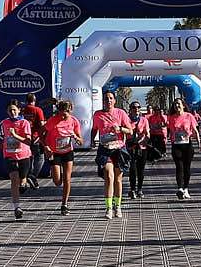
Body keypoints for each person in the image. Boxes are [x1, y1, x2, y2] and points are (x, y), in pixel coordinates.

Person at [91, 90, 133, 218]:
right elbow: (94, 129)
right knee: (109, 177)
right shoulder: (98, 114)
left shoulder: (121, 113)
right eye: (106, 99)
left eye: (110, 98)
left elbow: (130, 131)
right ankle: (108, 208)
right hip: (105, 148)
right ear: (103, 101)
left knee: (118, 179)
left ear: (114, 101)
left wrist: (120, 129)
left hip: (119, 149)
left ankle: (118, 206)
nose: (108, 100)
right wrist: (92, 139)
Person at [39, 99, 82, 213]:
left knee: (67, 179)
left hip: (67, 152)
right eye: (61, 114)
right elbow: (41, 134)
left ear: (70, 111)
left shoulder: (74, 121)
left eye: (65, 115)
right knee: (57, 181)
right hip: (55, 152)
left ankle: (64, 204)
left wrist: (76, 138)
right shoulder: (53, 120)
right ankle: (59, 174)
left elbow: (81, 141)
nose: (63, 117)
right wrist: (46, 146)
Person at [0, 99, 34, 219]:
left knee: (21, 181)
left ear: (19, 110)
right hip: (9, 154)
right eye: (10, 110)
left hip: (24, 154)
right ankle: (16, 207)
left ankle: (25, 181)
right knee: (14, 179)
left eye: (14, 110)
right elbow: (1, 138)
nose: (12, 112)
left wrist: (15, 136)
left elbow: (29, 141)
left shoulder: (24, 123)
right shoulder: (4, 123)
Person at [167, 97, 201, 199]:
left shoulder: (189, 116)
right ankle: (180, 188)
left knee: (187, 168)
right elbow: (171, 131)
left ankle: (186, 188)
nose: (177, 106)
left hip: (187, 145)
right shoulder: (171, 117)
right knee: (179, 167)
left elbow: (195, 130)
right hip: (176, 145)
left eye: (178, 104)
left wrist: (199, 143)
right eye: (175, 104)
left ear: (183, 105)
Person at [20, 92, 50, 190]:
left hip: (24, 138)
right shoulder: (38, 110)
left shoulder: (22, 110)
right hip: (35, 137)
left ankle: (28, 175)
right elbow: (41, 124)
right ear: (34, 100)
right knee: (40, 157)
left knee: (28, 158)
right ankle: (32, 175)